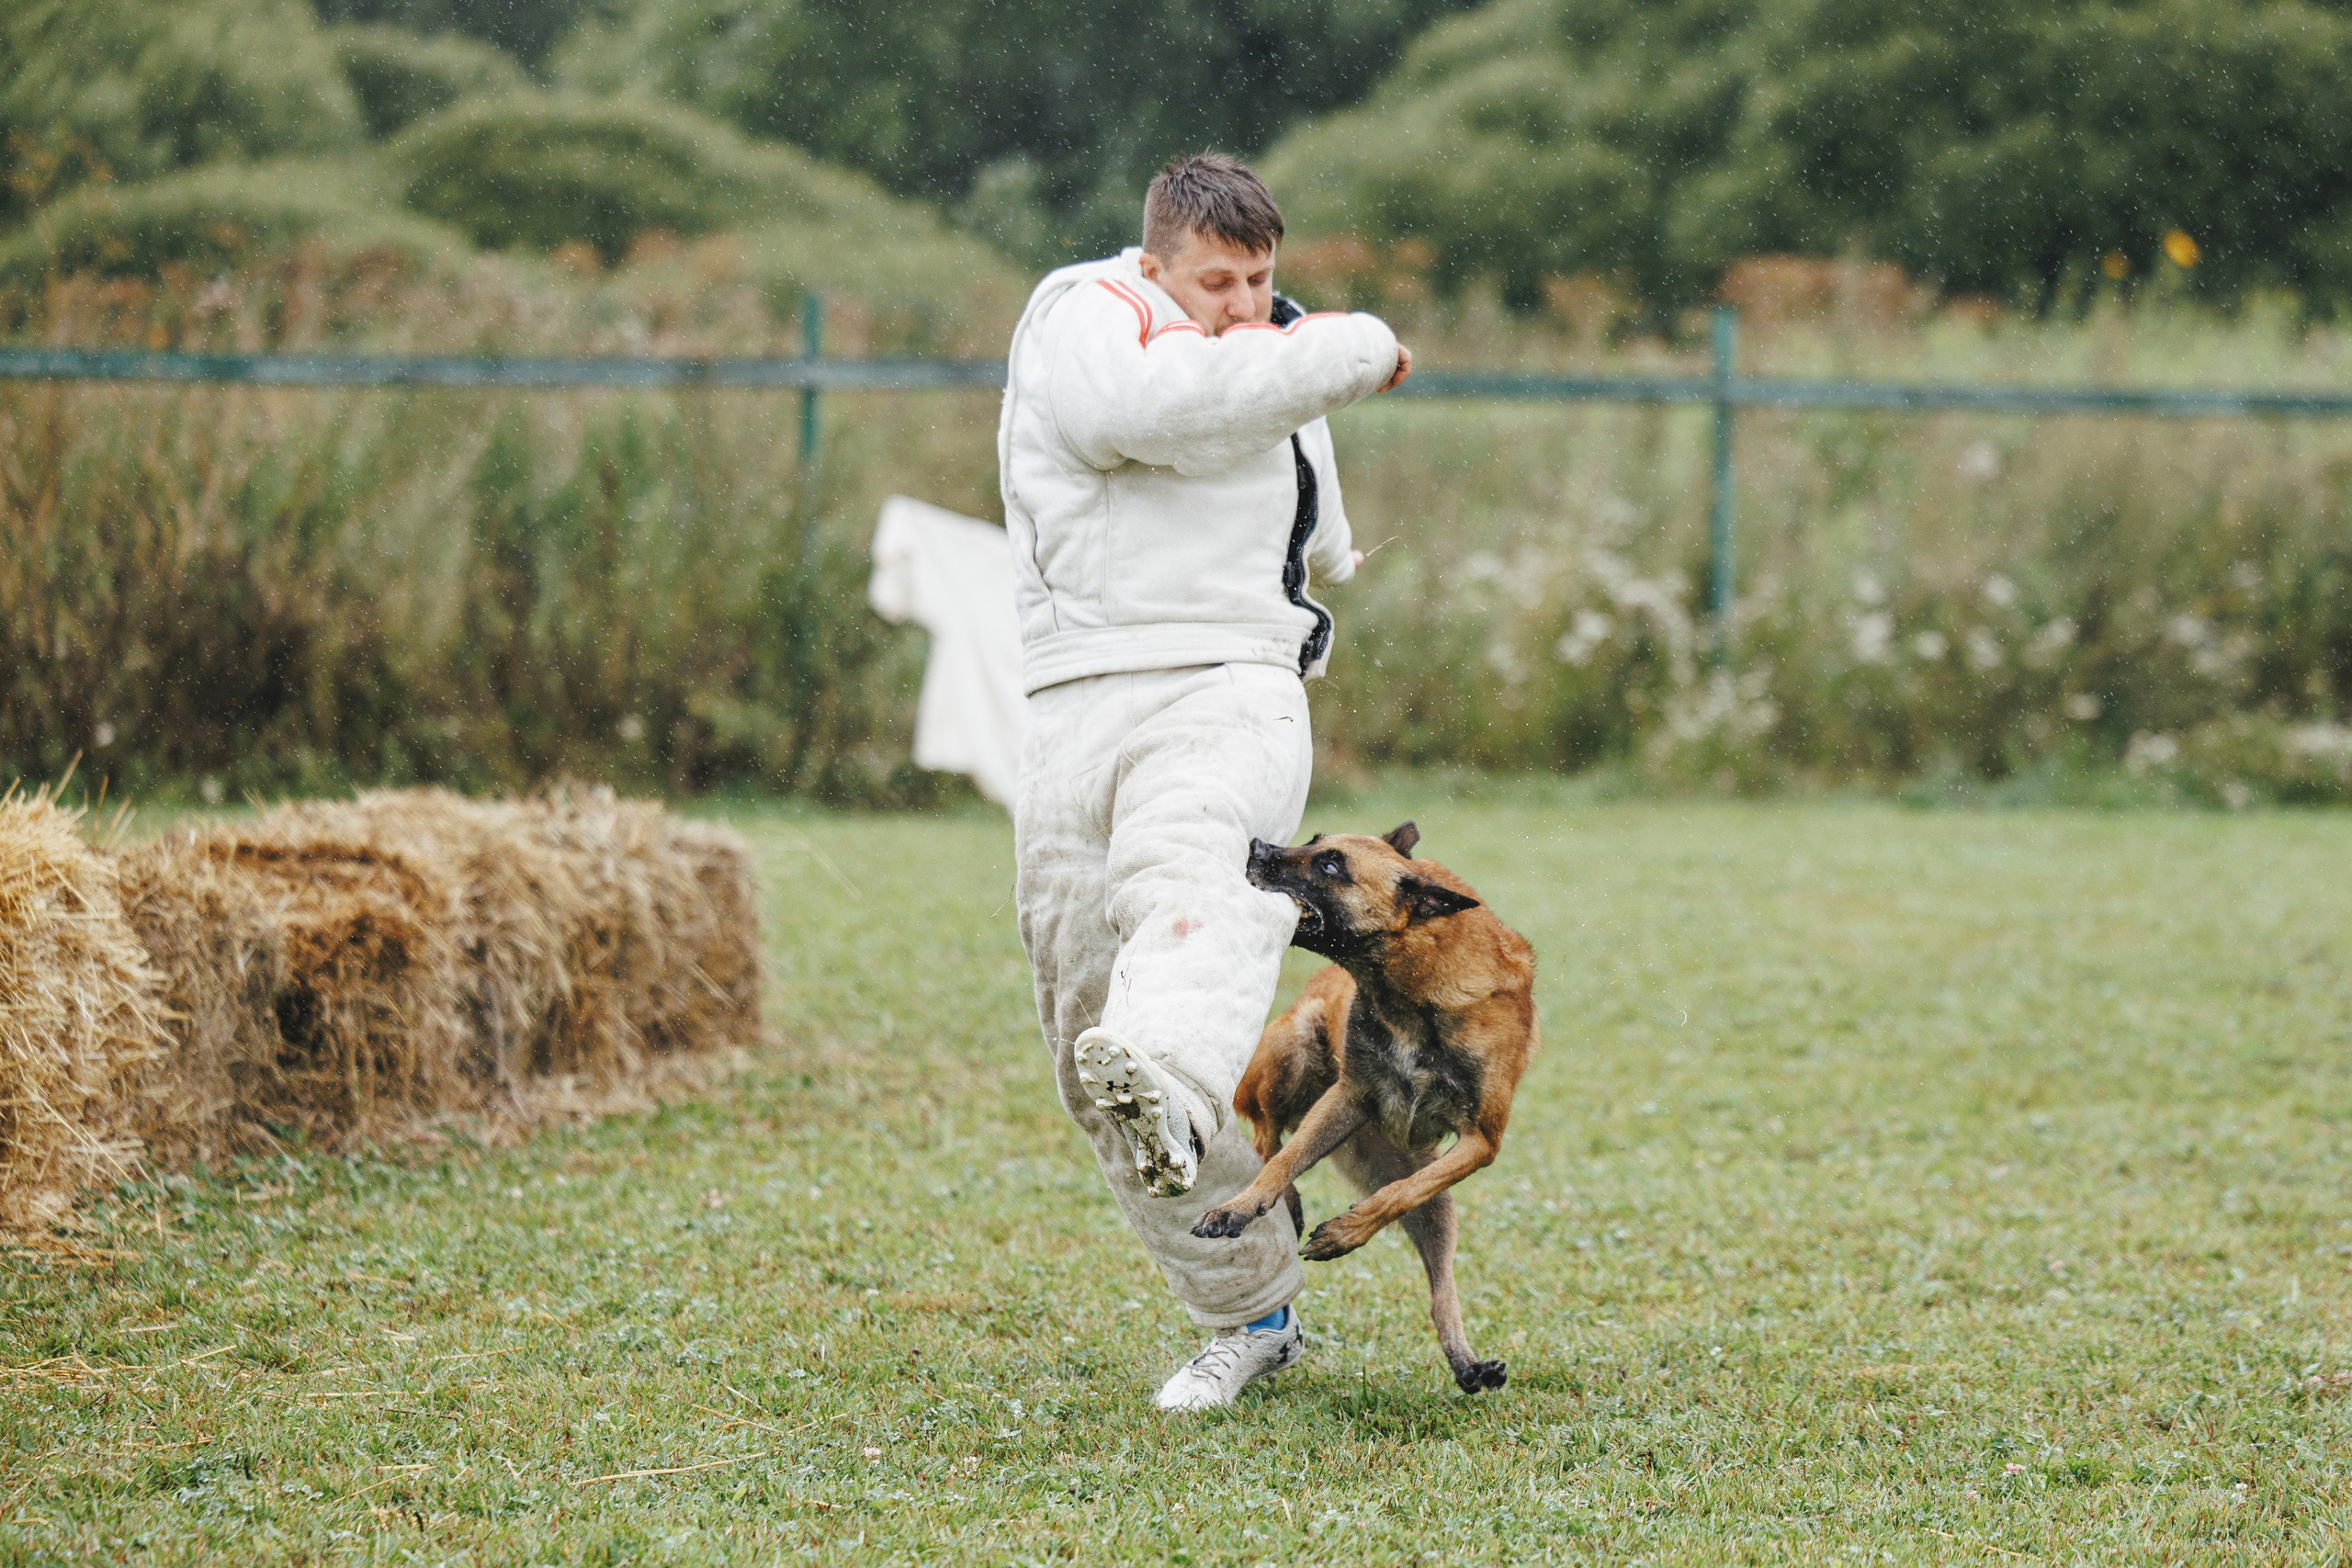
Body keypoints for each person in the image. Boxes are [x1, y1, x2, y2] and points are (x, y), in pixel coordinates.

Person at [1000, 152, 1410, 1411]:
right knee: (1090, 1054)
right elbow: (1160, 411)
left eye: (1261, 279)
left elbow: (1312, 528)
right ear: (1155, 264)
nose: (1243, 304)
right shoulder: (1087, 314)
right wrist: (1360, 344)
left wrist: (1315, 388)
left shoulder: (1271, 354)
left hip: (1229, 680)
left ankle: (1174, 1070)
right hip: (1075, 698)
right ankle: (1252, 1311)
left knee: (1201, 884)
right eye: (1215, 281)